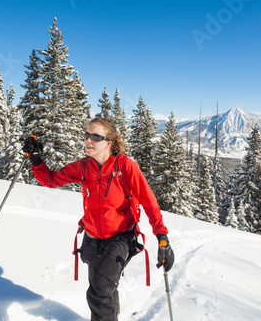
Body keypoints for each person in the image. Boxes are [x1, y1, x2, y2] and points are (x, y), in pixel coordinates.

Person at [22, 117, 174, 321]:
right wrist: (36, 159)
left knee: (100, 287)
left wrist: (162, 236)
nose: (88, 140)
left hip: (121, 238)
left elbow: (149, 202)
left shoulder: (126, 166)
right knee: (102, 287)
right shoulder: (84, 167)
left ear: (109, 143)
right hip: (92, 239)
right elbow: (50, 180)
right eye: (86, 135)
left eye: (95, 136)